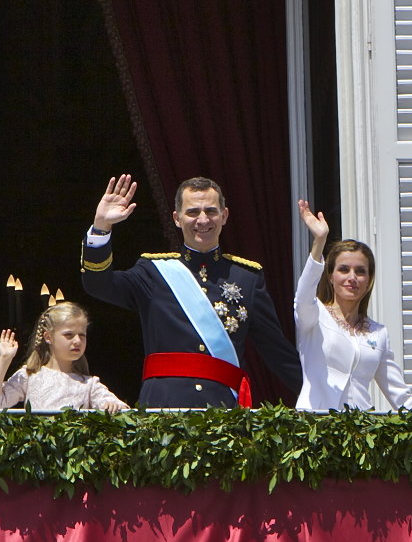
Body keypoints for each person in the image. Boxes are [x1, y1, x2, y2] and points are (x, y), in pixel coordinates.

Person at [81, 174, 301, 407]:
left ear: (224, 216)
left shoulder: (247, 278)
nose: (203, 220)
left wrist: (330, 402)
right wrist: (101, 227)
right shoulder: (152, 272)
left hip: (223, 410)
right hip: (163, 409)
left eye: (211, 211)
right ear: (177, 218)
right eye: (193, 212)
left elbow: (277, 352)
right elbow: (98, 284)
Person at [294, 200, 412, 411]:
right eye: (344, 270)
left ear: (369, 280)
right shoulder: (314, 315)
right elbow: (302, 296)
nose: (352, 278)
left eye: (360, 271)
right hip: (315, 428)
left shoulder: (378, 333)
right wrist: (319, 242)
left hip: (360, 433)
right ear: (330, 276)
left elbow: (403, 401)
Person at [0, 302, 129, 413]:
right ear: (48, 337)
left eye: (82, 335)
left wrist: (111, 405)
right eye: (68, 335)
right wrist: (4, 360)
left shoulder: (89, 384)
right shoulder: (29, 376)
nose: (77, 341)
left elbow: (119, 407)